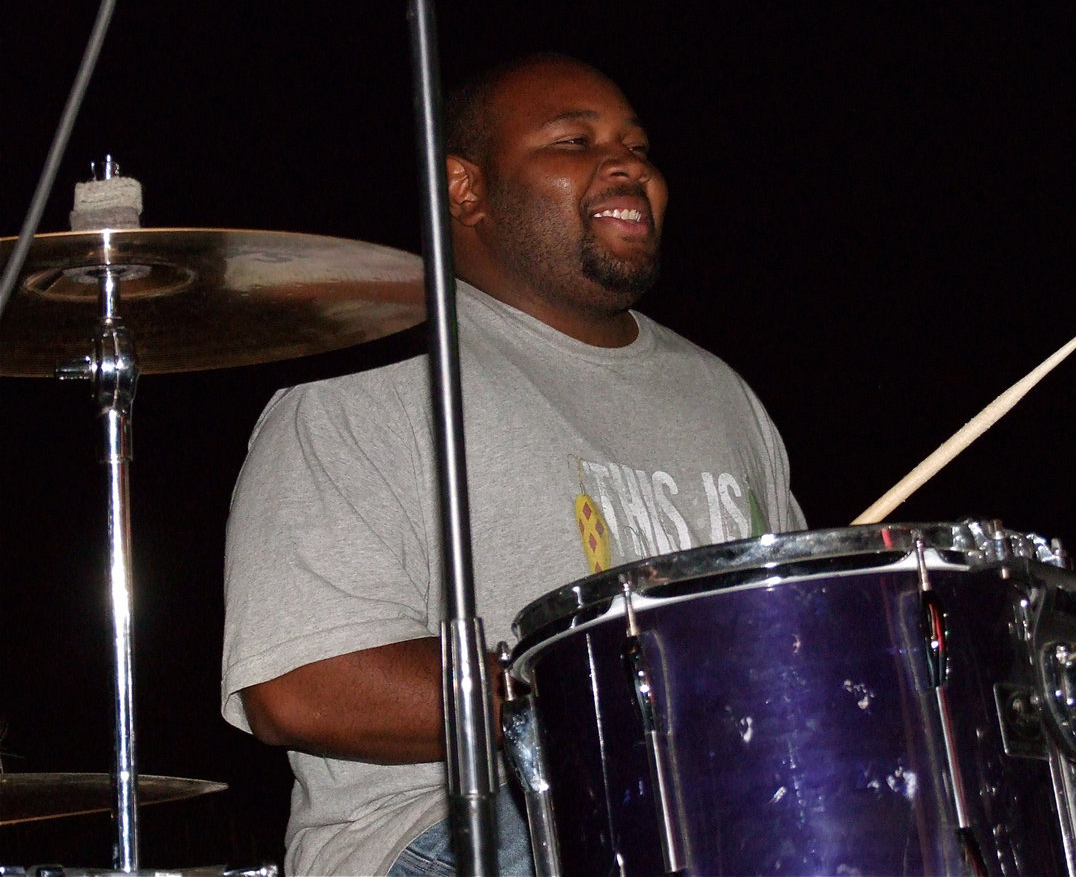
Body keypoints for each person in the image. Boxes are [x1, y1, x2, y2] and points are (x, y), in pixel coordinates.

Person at [221, 52, 806, 876]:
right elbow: (304, 686)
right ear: (465, 189)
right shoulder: (369, 379)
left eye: (638, 146)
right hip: (443, 825)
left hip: (714, 806)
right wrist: (611, 692)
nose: (629, 164)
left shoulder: (722, 394)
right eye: (574, 140)